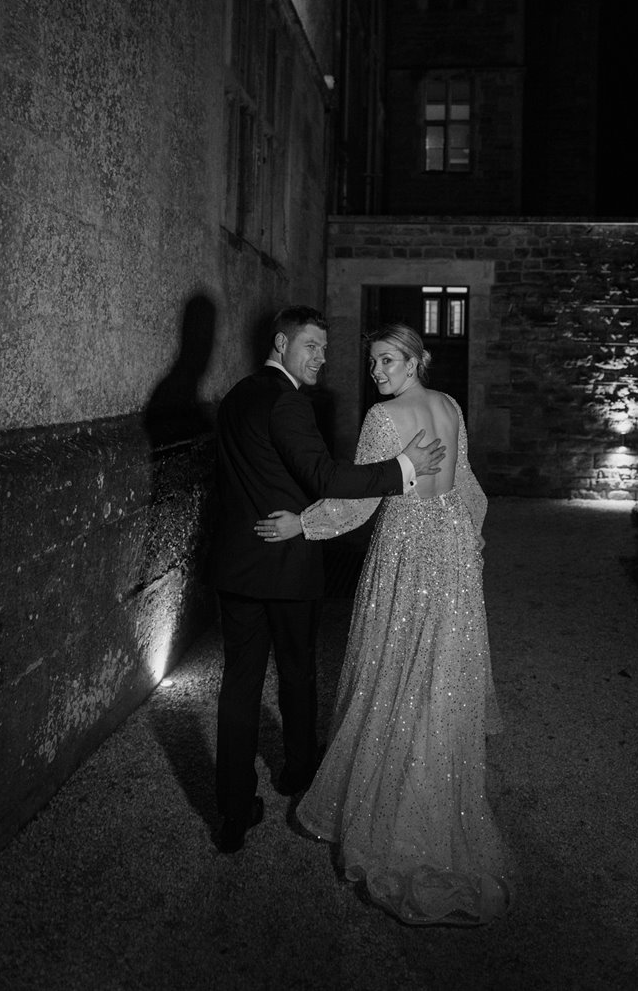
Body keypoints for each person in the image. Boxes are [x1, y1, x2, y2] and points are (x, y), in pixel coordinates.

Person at [254, 323, 512, 925]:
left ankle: (392, 811)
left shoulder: (384, 418)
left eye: (388, 360)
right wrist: (470, 538)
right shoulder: (449, 406)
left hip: (407, 550)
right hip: (449, 549)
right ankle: (428, 797)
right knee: (437, 670)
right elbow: (470, 488)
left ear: (416, 360)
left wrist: (302, 525)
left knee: (395, 667)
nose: (377, 373)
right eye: (372, 363)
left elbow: (359, 498)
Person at [210, 306, 446, 854]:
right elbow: (326, 477)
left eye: (324, 348)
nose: (321, 358)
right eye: (311, 346)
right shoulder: (287, 401)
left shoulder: (235, 397)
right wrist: (403, 468)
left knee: (238, 686)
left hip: (237, 563)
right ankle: (297, 772)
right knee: (296, 671)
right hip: (288, 561)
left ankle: (233, 809)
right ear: (281, 343)